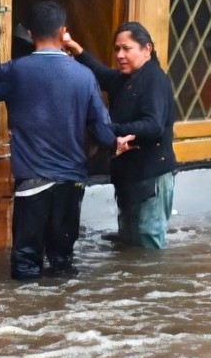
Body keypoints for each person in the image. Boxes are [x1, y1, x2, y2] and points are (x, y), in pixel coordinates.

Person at [0, 1, 130, 280]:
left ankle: (27, 318)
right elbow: (101, 128)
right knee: (63, 260)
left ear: (27, 32)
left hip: (33, 183)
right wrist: (116, 143)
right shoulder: (84, 76)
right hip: (71, 182)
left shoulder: (15, 71)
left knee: (26, 262)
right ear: (64, 32)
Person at [64, 22, 178, 249]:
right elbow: (103, 74)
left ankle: (154, 285)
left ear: (147, 49)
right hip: (130, 176)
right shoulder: (126, 78)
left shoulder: (153, 78)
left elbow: (153, 125)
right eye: (117, 49)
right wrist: (77, 51)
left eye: (127, 49)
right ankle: (135, 286)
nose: (120, 55)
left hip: (151, 176)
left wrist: (110, 130)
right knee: (129, 243)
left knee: (148, 243)